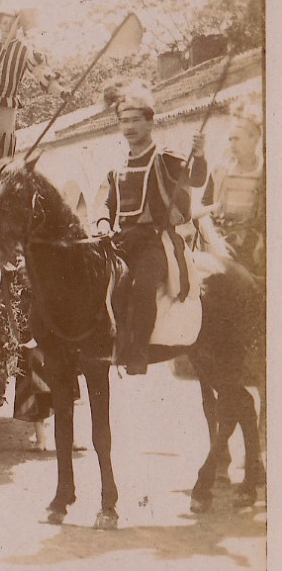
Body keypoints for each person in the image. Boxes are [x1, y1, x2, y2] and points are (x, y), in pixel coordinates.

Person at [97, 82, 208, 375]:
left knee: (141, 287)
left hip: (154, 242)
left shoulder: (165, 157)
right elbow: (109, 204)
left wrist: (199, 155)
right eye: (123, 120)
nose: (129, 126)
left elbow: (195, 180)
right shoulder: (117, 166)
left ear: (149, 121)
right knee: (107, 288)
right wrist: (102, 224)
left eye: (135, 119)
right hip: (120, 241)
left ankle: (139, 351)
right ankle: (110, 344)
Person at [0, 8, 62, 170]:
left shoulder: (25, 51)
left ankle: (4, 178)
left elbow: (42, 73)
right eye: (4, 23)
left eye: (12, 24)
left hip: (6, 106)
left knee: (5, 144)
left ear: (18, 27)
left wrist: (61, 91)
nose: (7, 27)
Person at [201, 106, 264, 273]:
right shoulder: (220, 171)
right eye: (230, 139)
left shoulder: (265, 173)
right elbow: (205, 206)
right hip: (220, 238)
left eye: (237, 139)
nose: (232, 144)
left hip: (251, 243)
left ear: (254, 139)